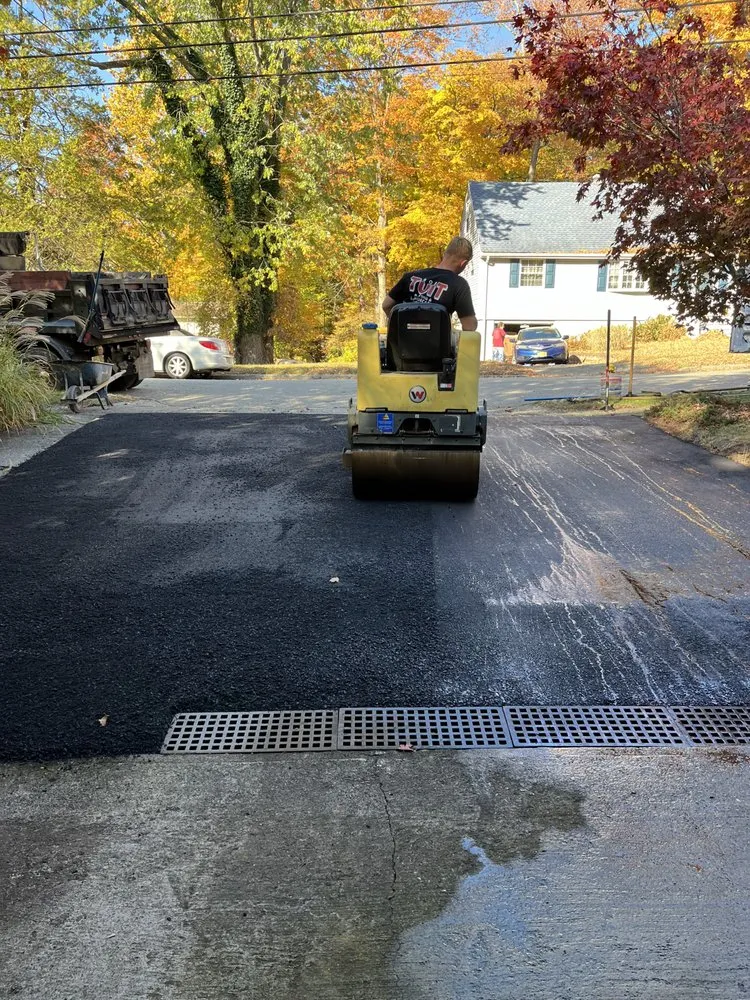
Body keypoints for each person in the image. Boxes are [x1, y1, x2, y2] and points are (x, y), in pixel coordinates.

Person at [381, 236, 478, 331]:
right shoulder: (459, 284)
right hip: (438, 342)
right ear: (463, 263)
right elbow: (469, 326)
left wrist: (402, 326)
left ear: (445, 254)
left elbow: (386, 305)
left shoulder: (409, 277)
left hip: (403, 341)